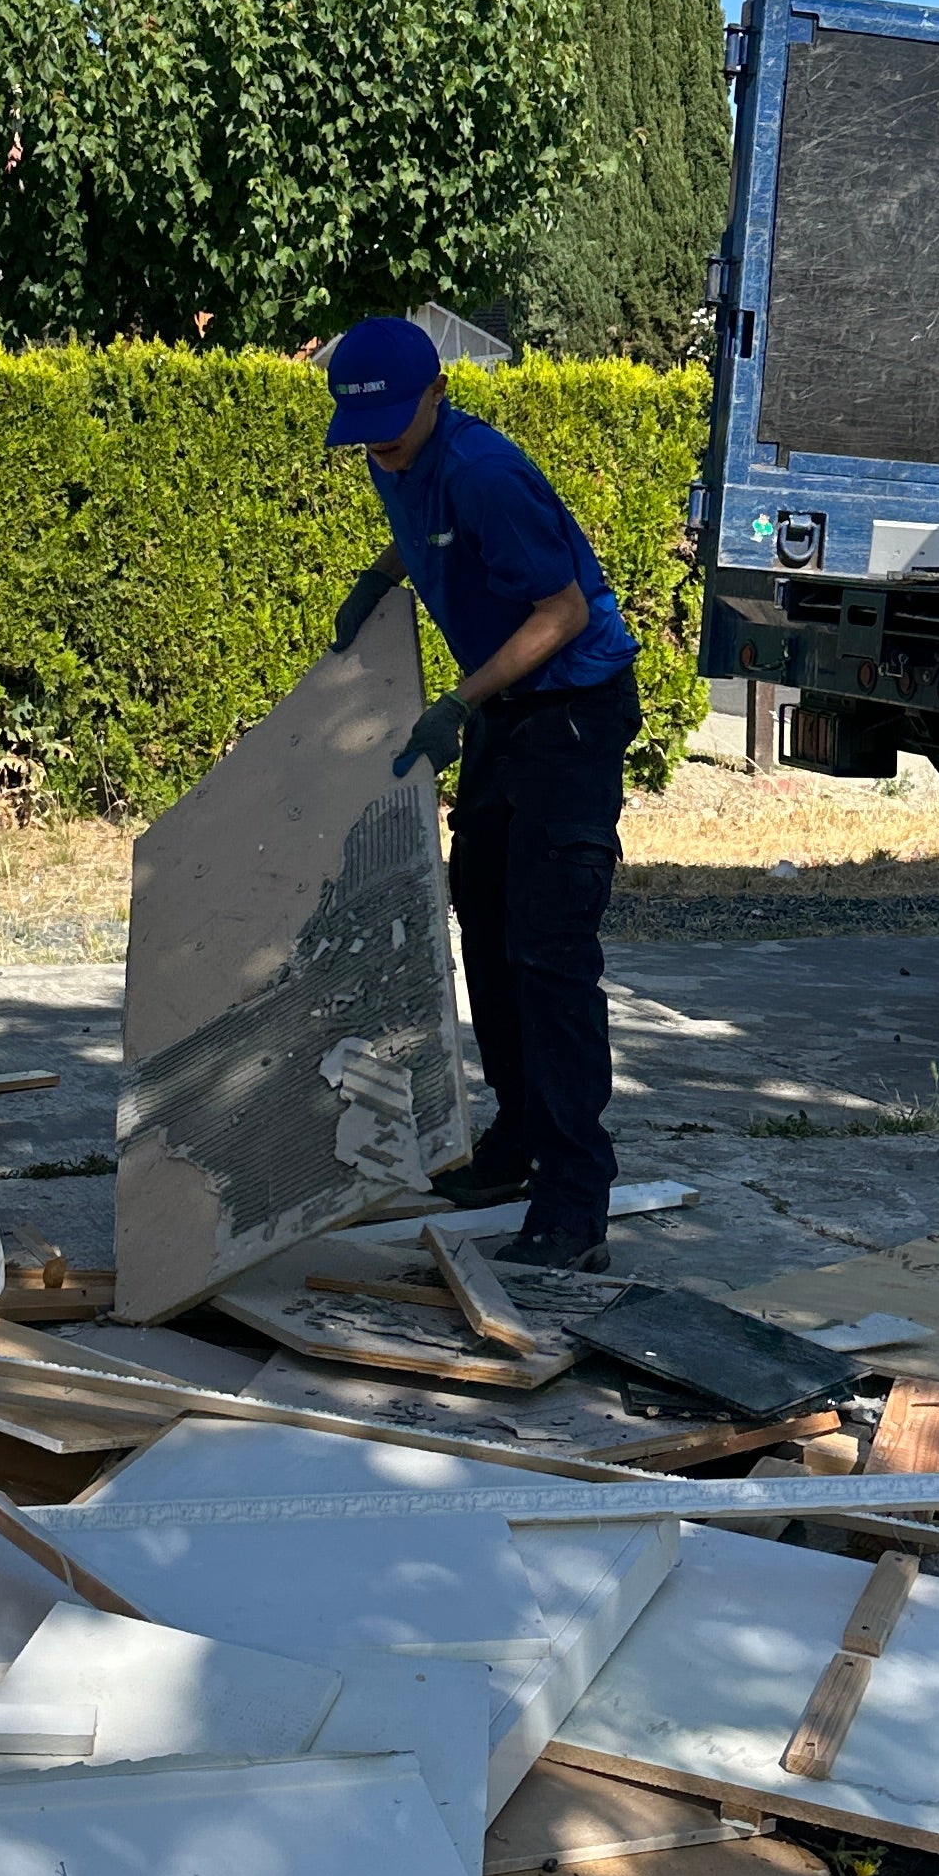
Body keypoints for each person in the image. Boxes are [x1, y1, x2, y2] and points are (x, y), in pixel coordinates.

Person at [324, 314, 641, 1274]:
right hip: (510, 717)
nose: (380, 442)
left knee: (549, 953)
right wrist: (377, 581)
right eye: (365, 426)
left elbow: (564, 612)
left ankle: (576, 1197)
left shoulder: (486, 474)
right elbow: (416, 536)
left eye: (393, 420)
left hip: (572, 712)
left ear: (436, 394)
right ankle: (517, 1139)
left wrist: (459, 702)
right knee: (486, 931)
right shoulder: (395, 457)